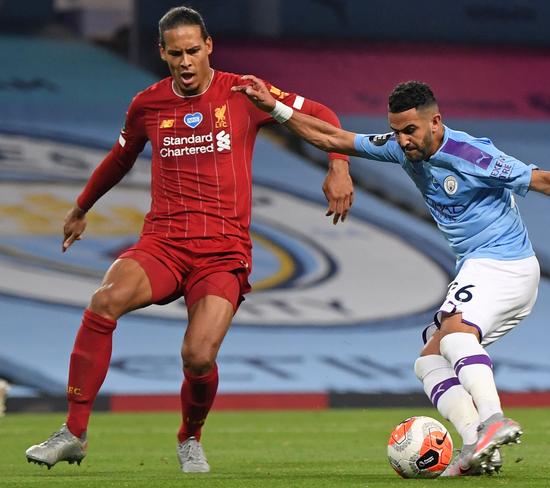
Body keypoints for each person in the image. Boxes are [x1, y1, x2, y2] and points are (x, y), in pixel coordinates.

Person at [233, 76, 550, 476]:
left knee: (455, 332)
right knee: (429, 361)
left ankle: (495, 421)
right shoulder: (401, 148)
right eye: (396, 131)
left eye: (410, 129)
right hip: (482, 268)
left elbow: (541, 180)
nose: (403, 139)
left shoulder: (472, 154)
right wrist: (275, 108)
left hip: (504, 263)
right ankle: (477, 447)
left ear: (435, 121)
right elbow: (332, 139)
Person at [25, 7, 353, 474]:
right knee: (104, 301)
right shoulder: (147, 105)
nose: (185, 61)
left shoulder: (244, 93)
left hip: (223, 251)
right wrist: (81, 207)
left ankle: (190, 436)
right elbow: (120, 159)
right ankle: (73, 432)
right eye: (175, 53)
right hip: (164, 242)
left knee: (198, 356)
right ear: (162, 52)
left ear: (209, 46)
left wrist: (339, 167)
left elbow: (321, 114)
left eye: (193, 51)